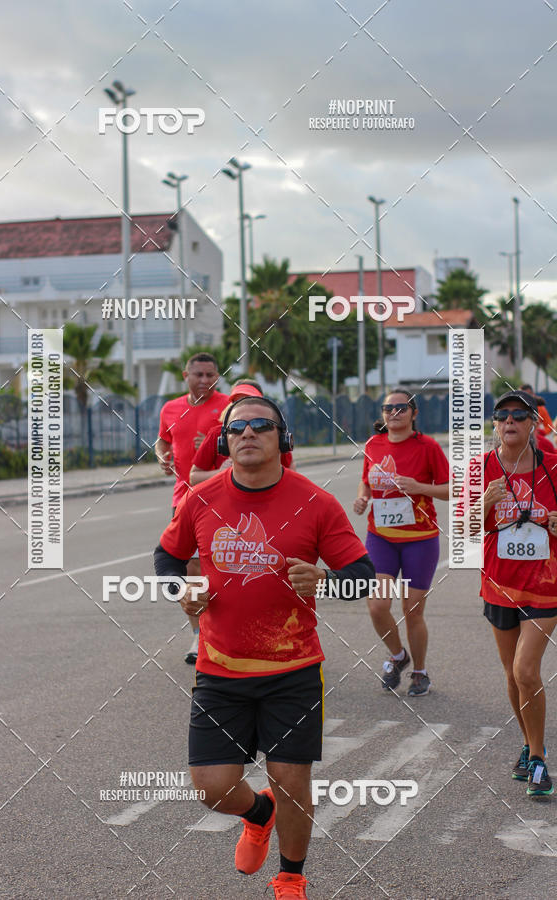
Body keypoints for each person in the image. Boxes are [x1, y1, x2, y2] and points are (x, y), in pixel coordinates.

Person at [154, 397, 375, 899]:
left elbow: (362, 577)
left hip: (293, 669)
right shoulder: (201, 498)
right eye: (237, 429)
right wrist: (179, 590)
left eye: (261, 425)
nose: (248, 434)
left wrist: (324, 578)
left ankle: (291, 876)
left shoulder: (316, 502)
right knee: (212, 789)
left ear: (283, 438)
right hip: (220, 669)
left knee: (291, 778)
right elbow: (166, 558)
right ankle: (259, 812)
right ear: (223, 442)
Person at [480, 389, 557, 798]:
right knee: (511, 674)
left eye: (518, 415)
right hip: (498, 582)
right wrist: (483, 506)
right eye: (502, 415)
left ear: (532, 424)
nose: (510, 421)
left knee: (527, 670)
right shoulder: (481, 469)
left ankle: (540, 758)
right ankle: (528, 745)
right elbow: (463, 533)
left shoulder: (553, 466)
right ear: (495, 424)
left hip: (545, 583)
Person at [353, 389, 450, 696]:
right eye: (388, 408)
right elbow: (366, 479)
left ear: (413, 413)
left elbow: (450, 489)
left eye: (401, 408)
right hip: (380, 537)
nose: (394, 413)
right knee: (377, 605)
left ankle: (420, 672)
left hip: (419, 540)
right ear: (382, 413)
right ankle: (398, 655)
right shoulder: (373, 444)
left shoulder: (428, 446)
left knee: (412, 610)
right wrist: (363, 497)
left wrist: (418, 487)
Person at [155, 352, 229, 663]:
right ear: (186, 375)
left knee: (225, 567)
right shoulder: (171, 408)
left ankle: (226, 632)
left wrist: (210, 445)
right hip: (183, 500)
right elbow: (163, 441)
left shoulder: (228, 407)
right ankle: (199, 636)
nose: (204, 380)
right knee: (190, 569)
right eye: (198, 374)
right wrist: (162, 455)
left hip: (224, 498)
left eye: (210, 375)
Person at [189, 379, 294, 486]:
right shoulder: (217, 433)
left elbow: (291, 470)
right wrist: (221, 473)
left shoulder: (274, 432)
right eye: (237, 402)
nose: (243, 406)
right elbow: (194, 477)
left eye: (249, 400)